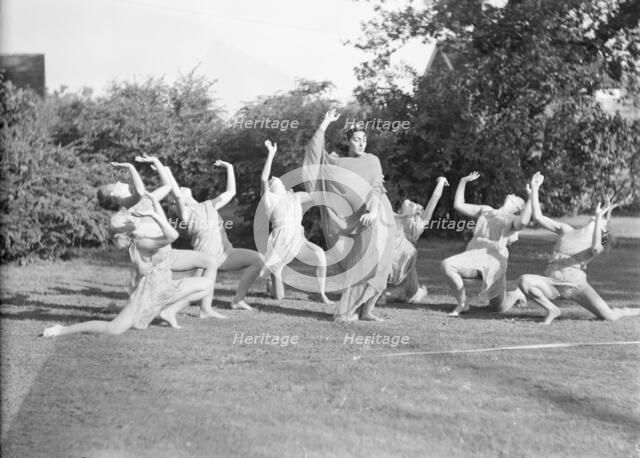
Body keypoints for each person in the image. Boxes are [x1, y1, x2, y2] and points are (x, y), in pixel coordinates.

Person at [42, 192, 213, 337]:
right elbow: (172, 235)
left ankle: (169, 311)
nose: (134, 220)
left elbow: (168, 232)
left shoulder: (138, 240)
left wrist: (154, 206)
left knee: (206, 285)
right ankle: (61, 330)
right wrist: (153, 215)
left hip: (165, 288)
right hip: (149, 294)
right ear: (125, 231)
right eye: (130, 221)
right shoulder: (141, 243)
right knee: (114, 329)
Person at [303, 109, 395, 321]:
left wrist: (373, 210)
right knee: (362, 265)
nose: (362, 143)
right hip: (354, 222)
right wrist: (325, 123)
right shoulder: (337, 163)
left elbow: (377, 188)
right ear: (348, 142)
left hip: (377, 217)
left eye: (364, 139)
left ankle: (367, 310)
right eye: (356, 139)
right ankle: (347, 311)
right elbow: (314, 156)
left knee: (382, 264)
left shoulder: (373, 160)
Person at [144, 155, 265, 312]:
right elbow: (176, 193)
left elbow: (231, 192)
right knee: (187, 294)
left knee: (258, 260)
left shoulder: (209, 205)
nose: (182, 188)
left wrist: (229, 167)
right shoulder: (186, 214)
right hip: (205, 259)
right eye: (178, 191)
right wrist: (164, 170)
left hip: (226, 254)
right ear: (174, 204)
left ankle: (237, 300)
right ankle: (154, 300)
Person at [517, 172, 640, 324]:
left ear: (602, 229)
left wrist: (600, 217)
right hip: (553, 284)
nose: (597, 218)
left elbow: (596, 248)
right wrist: (535, 188)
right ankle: (552, 309)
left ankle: (630, 310)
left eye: (600, 221)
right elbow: (538, 217)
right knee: (523, 281)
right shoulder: (566, 230)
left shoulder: (593, 243)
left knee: (609, 317)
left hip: (576, 285)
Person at [440, 171, 530, 316]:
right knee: (447, 264)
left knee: (498, 308)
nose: (513, 194)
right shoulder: (487, 210)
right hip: (474, 254)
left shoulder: (511, 219)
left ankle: (516, 294)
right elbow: (458, 205)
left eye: (516, 197)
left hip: (494, 260)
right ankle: (463, 303)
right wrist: (463, 181)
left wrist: (531, 196)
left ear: (518, 208)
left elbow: (523, 221)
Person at [259, 140, 332, 304]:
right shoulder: (270, 199)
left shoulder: (295, 196)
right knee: (278, 297)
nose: (272, 179)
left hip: (298, 240)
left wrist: (326, 168)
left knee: (320, 255)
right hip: (280, 242)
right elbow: (264, 178)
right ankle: (271, 282)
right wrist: (271, 153)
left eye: (274, 179)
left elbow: (316, 194)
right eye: (271, 181)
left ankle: (322, 294)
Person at [385, 177, 449, 303]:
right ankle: (412, 293)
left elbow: (434, 199)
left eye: (414, 205)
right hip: (394, 263)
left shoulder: (419, 223)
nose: (412, 203)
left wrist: (441, 182)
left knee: (411, 294)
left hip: (405, 266)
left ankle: (417, 292)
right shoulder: (394, 217)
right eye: (410, 203)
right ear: (400, 210)